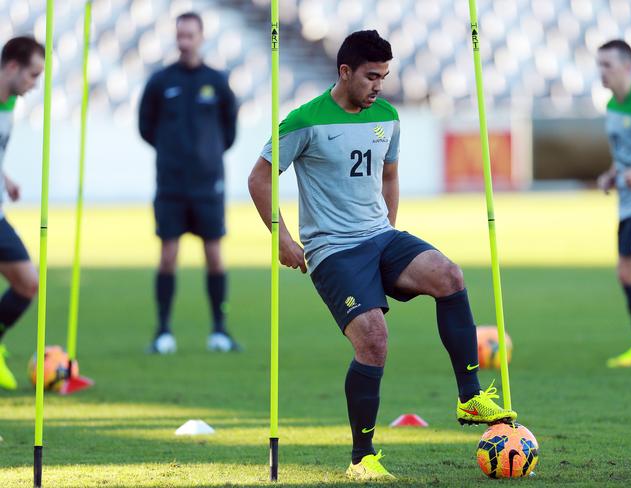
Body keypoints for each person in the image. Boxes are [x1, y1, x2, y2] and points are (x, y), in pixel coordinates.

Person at [248, 30, 516, 480]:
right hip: (333, 249)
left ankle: (470, 397)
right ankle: (362, 458)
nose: (378, 85)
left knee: (448, 275)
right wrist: (282, 239)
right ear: (345, 71)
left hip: (380, 236)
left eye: (384, 77)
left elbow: (390, 176)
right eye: (371, 76)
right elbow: (260, 178)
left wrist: (388, 230)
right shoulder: (304, 120)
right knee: (374, 340)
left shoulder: (388, 117)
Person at [139, 12, 240, 353]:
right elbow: (146, 127)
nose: (184, 42)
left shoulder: (217, 81)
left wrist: (205, 156)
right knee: (168, 256)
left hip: (208, 185)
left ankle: (219, 330)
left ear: (201, 37)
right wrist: (173, 155)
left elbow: (229, 131)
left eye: (190, 35)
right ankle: (163, 330)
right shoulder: (160, 81)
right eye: (180, 35)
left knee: (214, 255)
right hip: (170, 186)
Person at [597, 39, 631, 367]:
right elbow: (624, 153)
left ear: (627, 66)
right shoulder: (612, 107)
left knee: (629, 270)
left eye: (608, 65)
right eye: (598, 65)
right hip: (629, 203)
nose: (601, 72)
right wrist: (611, 173)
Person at [0, 36, 45, 389]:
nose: (35, 84)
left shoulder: (10, 102)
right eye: (33, 74)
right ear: (12, 66)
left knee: (28, 283)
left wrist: (6, 177)